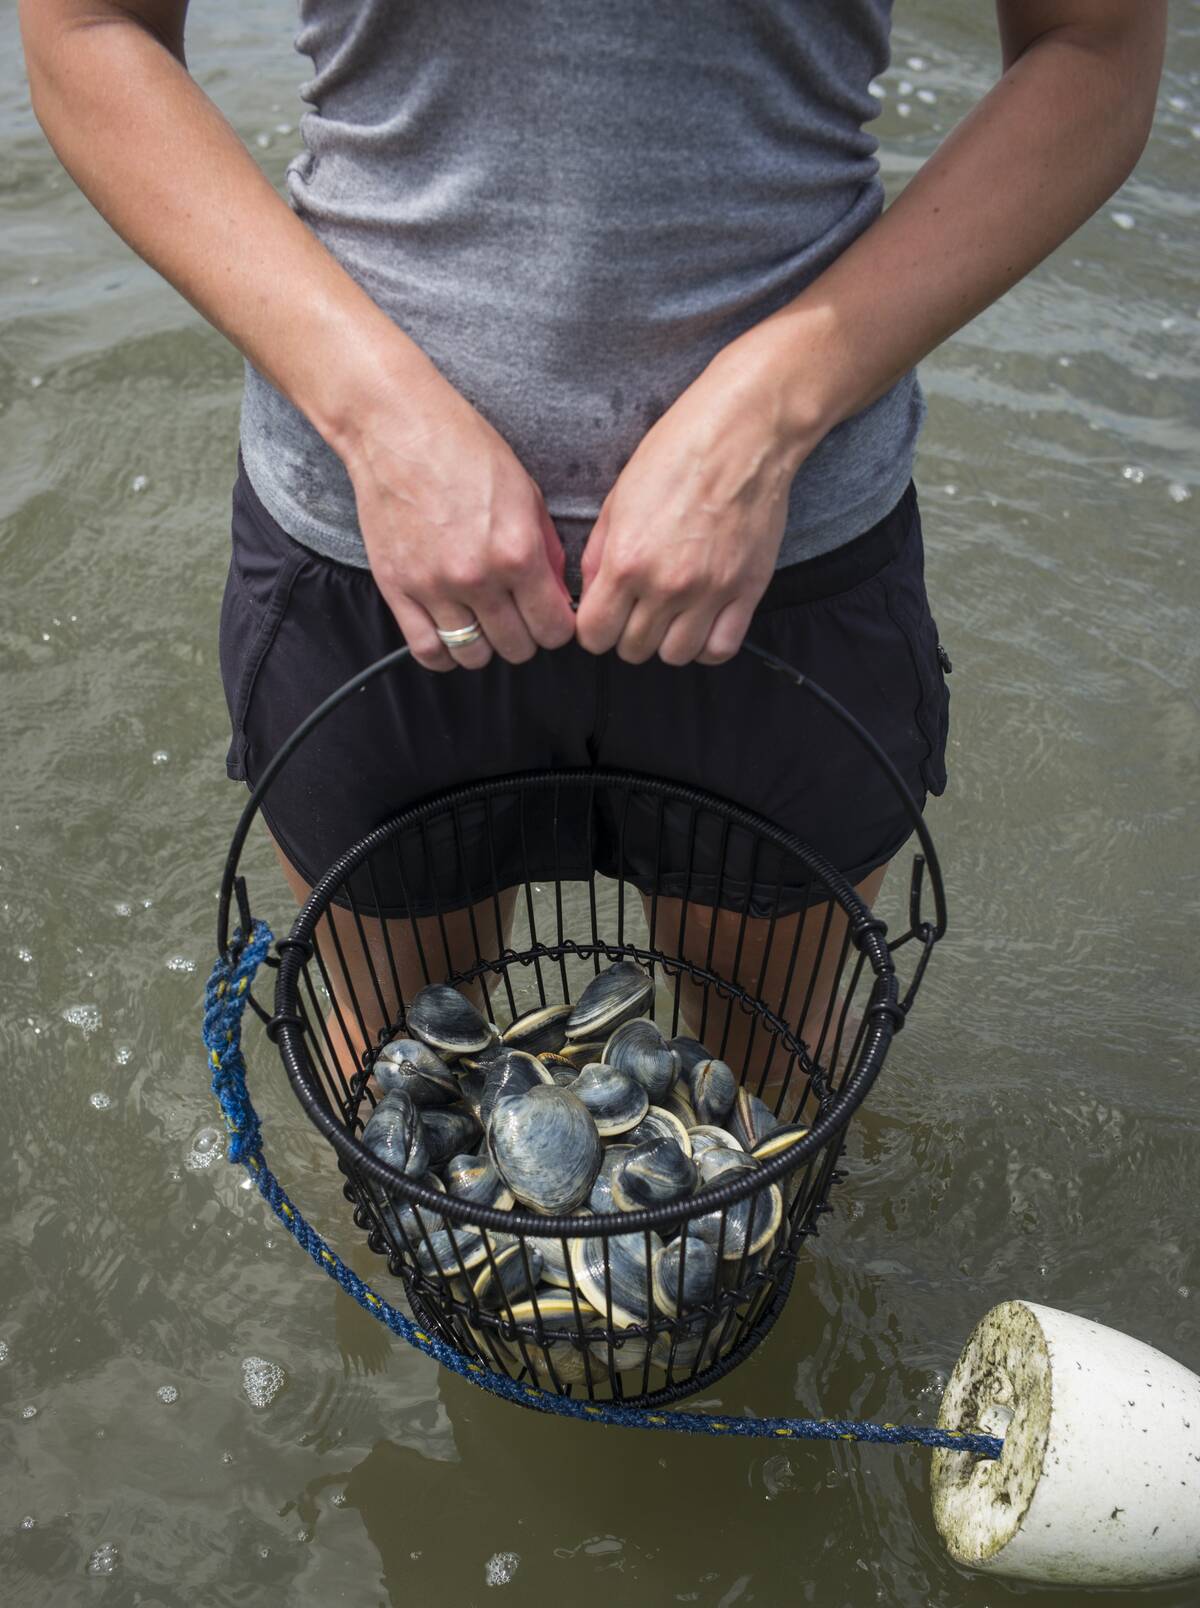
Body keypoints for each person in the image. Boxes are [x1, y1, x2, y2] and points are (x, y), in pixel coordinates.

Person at [21, 0, 1165, 1095]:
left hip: (781, 558)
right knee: (402, 1095)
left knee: (767, 1108)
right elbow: (85, 26)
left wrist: (768, 415)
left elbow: (1096, 46)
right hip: (379, 553)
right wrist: (380, 417)